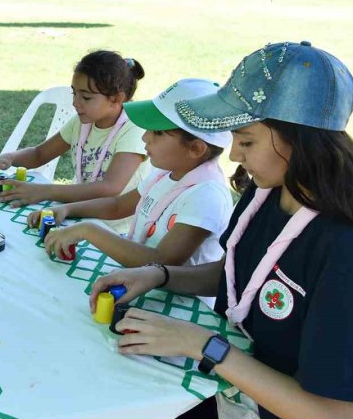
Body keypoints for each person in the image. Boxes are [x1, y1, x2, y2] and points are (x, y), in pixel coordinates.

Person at [81, 42, 353, 419]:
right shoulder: (266, 191)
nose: (234, 155)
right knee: (111, 385)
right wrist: (159, 275)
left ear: (301, 143)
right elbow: (236, 273)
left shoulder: (347, 252)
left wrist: (207, 346)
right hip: (236, 397)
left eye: (246, 141)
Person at [36, 79, 233, 274]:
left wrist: (88, 230)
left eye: (158, 132)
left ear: (196, 148)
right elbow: (117, 206)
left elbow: (162, 261)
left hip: (176, 302)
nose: (145, 137)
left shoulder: (207, 196)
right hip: (138, 281)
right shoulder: (165, 173)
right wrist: (66, 209)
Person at [0, 50, 150, 234]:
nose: (75, 102)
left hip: (118, 230)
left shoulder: (133, 128)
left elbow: (110, 188)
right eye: (74, 93)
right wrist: (9, 158)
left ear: (116, 99)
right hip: (78, 216)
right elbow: (39, 154)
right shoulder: (83, 122)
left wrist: (44, 191)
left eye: (86, 97)